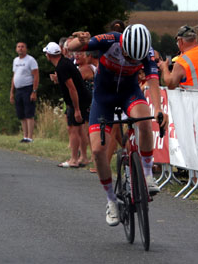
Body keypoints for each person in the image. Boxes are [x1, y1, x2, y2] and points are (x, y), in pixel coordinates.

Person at [66, 24, 167, 227]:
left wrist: (158, 109)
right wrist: (80, 41)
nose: (131, 61)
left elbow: (153, 81)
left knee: (146, 121)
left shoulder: (146, 53)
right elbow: (72, 46)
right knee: (97, 151)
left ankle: (147, 174)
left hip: (129, 94)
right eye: (129, 57)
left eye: (134, 60)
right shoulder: (110, 40)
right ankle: (112, 200)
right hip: (103, 99)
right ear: (123, 45)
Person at [44, 42, 92, 168]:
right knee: (80, 129)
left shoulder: (61, 67)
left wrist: (76, 109)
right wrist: (58, 79)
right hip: (82, 99)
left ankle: (74, 159)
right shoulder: (64, 63)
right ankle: (84, 158)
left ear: (48, 55)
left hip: (77, 101)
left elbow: (72, 88)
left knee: (73, 129)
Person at [157, 25, 198, 92]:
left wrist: (164, 68)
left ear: (181, 41)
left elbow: (171, 84)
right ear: (195, 38)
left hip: (197, 100)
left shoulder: (181, 62)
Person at [10, 41, 39, 143]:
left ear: (26, 48)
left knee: (29, 113)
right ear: (16, 49)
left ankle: (30, 137)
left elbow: (36, 76)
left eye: (22, 46)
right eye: (18, 47)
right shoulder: (15, 61)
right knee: (21, 114)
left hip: (28, 88)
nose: (20, 48)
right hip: (19, 89)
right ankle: (25, 136)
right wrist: (12, 92)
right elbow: (14, 76)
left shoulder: (30, 60)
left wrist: (34, 91)